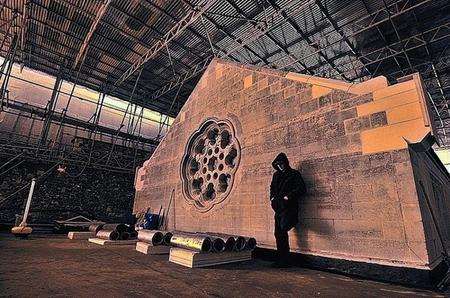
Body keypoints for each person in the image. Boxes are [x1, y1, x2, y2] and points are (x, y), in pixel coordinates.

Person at [270, 152, 306, 268]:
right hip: (278, 208)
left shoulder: (294, 174)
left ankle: (285, 259)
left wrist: (288, 196)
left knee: (283, 229)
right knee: (279, 233)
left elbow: (302, 189)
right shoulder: (276, 175)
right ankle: (282, 259)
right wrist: (272, 198)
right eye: (278, 164)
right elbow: (271, 188)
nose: (280, 166)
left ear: (286, 163)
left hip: (289, 207)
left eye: (281, 164)